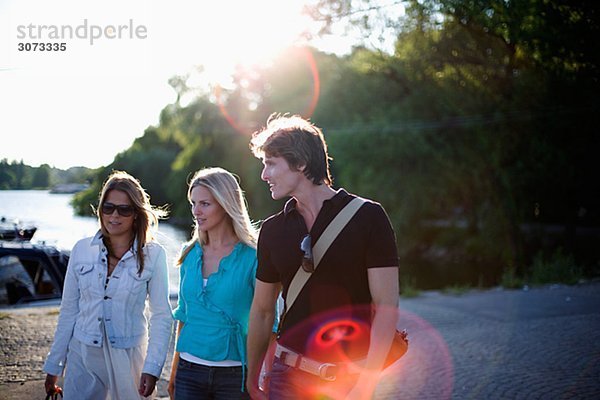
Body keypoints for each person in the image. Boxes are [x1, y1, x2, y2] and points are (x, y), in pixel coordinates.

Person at [246, 114, 400, 399]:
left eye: (271, 164)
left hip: (350, 377)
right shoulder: (272, 230)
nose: (264, 175)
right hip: (285, 376)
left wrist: (366, 385)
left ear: (301, 163)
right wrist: (252, 375)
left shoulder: (368, 216)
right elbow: (263, 310)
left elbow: (386, 305)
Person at [43, 170, 173, 399]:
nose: (114, 215)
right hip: (82, 356)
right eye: (108, 207)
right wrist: (54, 366)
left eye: (124, 209)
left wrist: (152, 368)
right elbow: (69, 310)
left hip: (128, 358)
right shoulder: (81, 250)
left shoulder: (154, 255)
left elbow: (162, 315)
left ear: (136, 214)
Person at [167, 167, 276, 399]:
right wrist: (175, 370)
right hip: (188, 371)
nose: (196, 211)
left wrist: (264, 377)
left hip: (235, 375)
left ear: (226, 204)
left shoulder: (254, 256)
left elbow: (269, 321)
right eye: (193, 203)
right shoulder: (190, 255)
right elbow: (184, 316)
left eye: (205, 204)